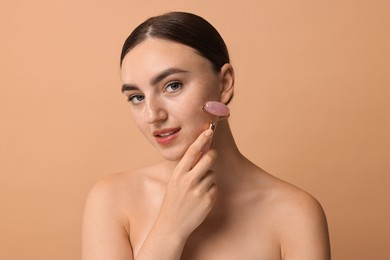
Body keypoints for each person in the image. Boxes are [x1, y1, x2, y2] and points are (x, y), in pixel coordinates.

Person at [81, 11, 331, 260]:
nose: (152, 115)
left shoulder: (295, 214)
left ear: (224, 83)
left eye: (173, 86)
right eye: (137, 97)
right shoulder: (112, 200)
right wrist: (170, 229)